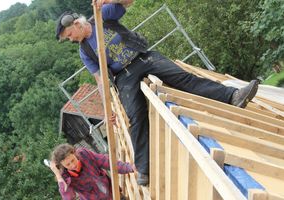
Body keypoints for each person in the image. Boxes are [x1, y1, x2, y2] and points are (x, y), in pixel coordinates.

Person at [55, 0, 259, 185]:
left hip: (142, 57)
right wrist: (107, 108)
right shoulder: (85, 51)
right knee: (136, 114)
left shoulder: (103, 16)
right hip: (124, 75)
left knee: (182, 78)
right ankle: (143, 168)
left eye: (69, 35)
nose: (71, 39)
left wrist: (109, 0)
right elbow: (100, 80)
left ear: (74, 23)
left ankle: (233, 96)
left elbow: (129, 2)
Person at [49, 143, 134, 199]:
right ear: (62, 166)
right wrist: (58, 175)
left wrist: (129, 167)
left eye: (73, 160)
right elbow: (69, 197)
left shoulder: (85, 154)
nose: (73, 165)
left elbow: (107, 162)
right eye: (68, 165)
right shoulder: (65, 177)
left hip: (115, 195)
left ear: (74, 153)